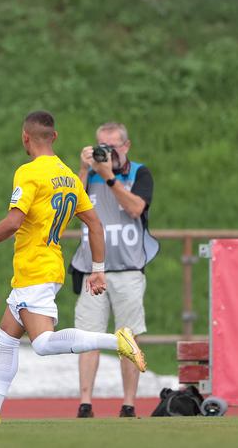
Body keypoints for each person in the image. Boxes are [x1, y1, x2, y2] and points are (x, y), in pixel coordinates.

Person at [0, 111, 146, 425]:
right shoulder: (70, 176)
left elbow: (14, 221)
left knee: (42, 344)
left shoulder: (29, 173)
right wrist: (98, 268)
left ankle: (117, 341)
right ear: (54, 137)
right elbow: (94, 223)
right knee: (6, 338)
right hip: (46, 266)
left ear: (25, 137)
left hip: (35, 269)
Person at [69, 122, 158, 418]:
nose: (107, 153)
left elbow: (135, 208)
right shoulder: (89, 174)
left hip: (128, 269)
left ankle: (129, 403)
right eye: (101, 146)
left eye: (113, 146)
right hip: (92, 268)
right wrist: (84, 170)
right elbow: (70, 209)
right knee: (87, 336)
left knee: (128, 338)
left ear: (126, 146)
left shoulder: (139, 173)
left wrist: (109, 178)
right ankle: (85, 403)